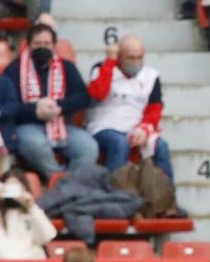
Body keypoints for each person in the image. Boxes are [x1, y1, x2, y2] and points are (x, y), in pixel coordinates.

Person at [11, 24, 97, 178]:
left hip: (61, 124)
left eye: (46, 44)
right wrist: (35, 111)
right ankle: (57, 180)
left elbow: (83, 97)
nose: (42, 47)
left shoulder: (67, 67)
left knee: (88, 147)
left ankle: (73, 184)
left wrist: (60, 107)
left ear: (54, 45)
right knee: (35, 144)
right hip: (28, 124)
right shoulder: (14, 69)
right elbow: (9, 106)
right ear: (29, 45)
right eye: (37, 44)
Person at [84, 34, 174, 177]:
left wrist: (144, 129)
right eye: (131, 58)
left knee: (161, 146)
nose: (136, 63)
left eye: (140, 57)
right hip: (104, 127)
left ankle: (167, 195)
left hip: (135, 127)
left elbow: (154, 109)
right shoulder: (101, 68)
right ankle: (114, 194)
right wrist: (110, 62)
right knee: (120, 143)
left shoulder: (151, 76)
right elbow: (97, 93)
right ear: (119, 56)